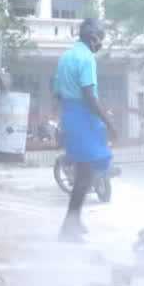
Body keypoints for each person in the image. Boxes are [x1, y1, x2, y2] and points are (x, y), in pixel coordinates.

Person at [53, 18, 116, 239]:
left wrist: (67, 117)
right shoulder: (87, 58)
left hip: (71, 115)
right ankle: (68, 229)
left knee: (84, 173)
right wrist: (108, 122)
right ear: (93, 37)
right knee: (84, 176)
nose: (101, 45)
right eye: (101, 40)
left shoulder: (66, 57)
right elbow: (90, 95)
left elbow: (58, 93)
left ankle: (74, 220)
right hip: (84, 118)